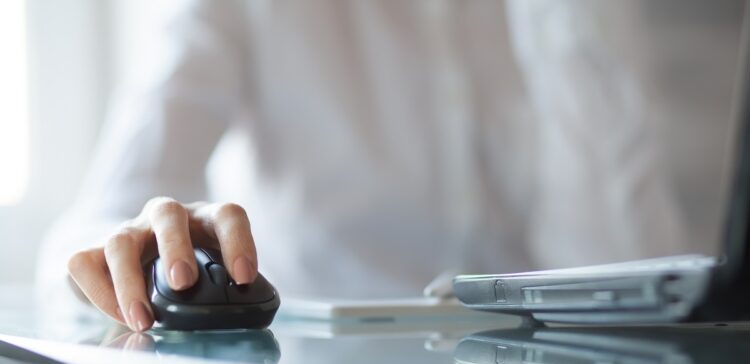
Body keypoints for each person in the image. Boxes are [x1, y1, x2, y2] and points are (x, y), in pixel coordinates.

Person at [38, 0, 688, 334]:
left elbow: (638, 281)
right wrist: (135, 250)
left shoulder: (567, 19)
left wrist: (570, 29)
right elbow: (88, 232)